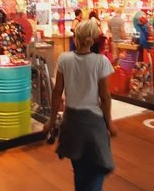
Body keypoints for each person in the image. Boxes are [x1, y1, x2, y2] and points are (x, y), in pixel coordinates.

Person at [44, 20, 117, 191]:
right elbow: (105, 97)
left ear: (75, 38)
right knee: (99, 166)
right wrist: (110, 123)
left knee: (79, 169)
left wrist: (51, 121)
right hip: (93, 125)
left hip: (71, 123)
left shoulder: (64, 59)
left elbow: (57, 94)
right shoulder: (101, 62)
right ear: (94, 40)